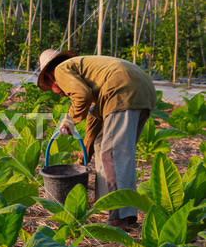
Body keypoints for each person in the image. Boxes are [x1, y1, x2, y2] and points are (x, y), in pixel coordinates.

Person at [37, 49, 157, 228]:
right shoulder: (90, 76)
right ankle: (108, 204)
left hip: (122, 90)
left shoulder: (60, 70)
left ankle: (119, 216)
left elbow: (81, 96)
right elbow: (93, 127)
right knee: (104, 144)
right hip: (143, 90)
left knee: (114, 154)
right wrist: (81, 159)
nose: (58, 93)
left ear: (49, 76)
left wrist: (69, 120)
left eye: (52, 88)